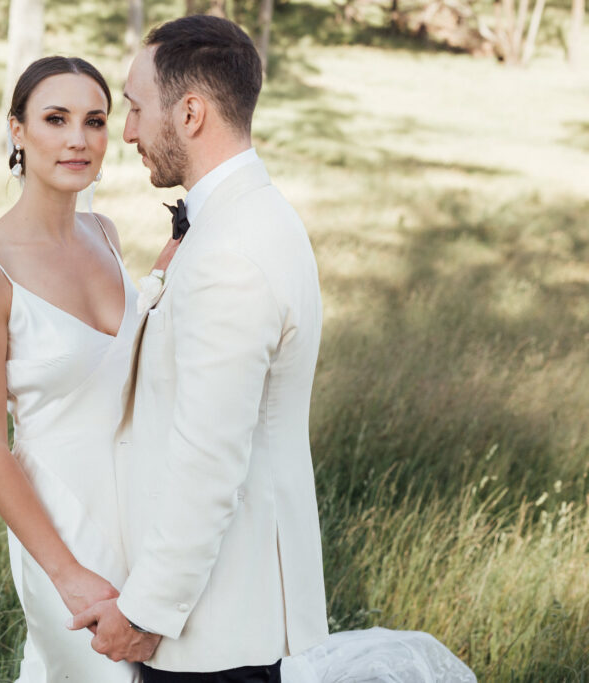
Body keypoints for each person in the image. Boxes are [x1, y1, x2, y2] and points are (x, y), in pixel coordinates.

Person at [67, 15, 476, 683]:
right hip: (233, 619)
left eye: (138, 108)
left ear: (191, 112)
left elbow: (208, 460)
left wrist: (143, 613)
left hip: (220, 631)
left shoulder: (231, 251)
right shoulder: (249, 218)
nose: (130, 131)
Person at [0, 56, 141, 682]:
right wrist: (68, 573)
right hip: (65, 520)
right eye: (54, 119)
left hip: (145, 503)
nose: (77, 139)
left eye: (95, 121)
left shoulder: (105, 233)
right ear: (18, 130)